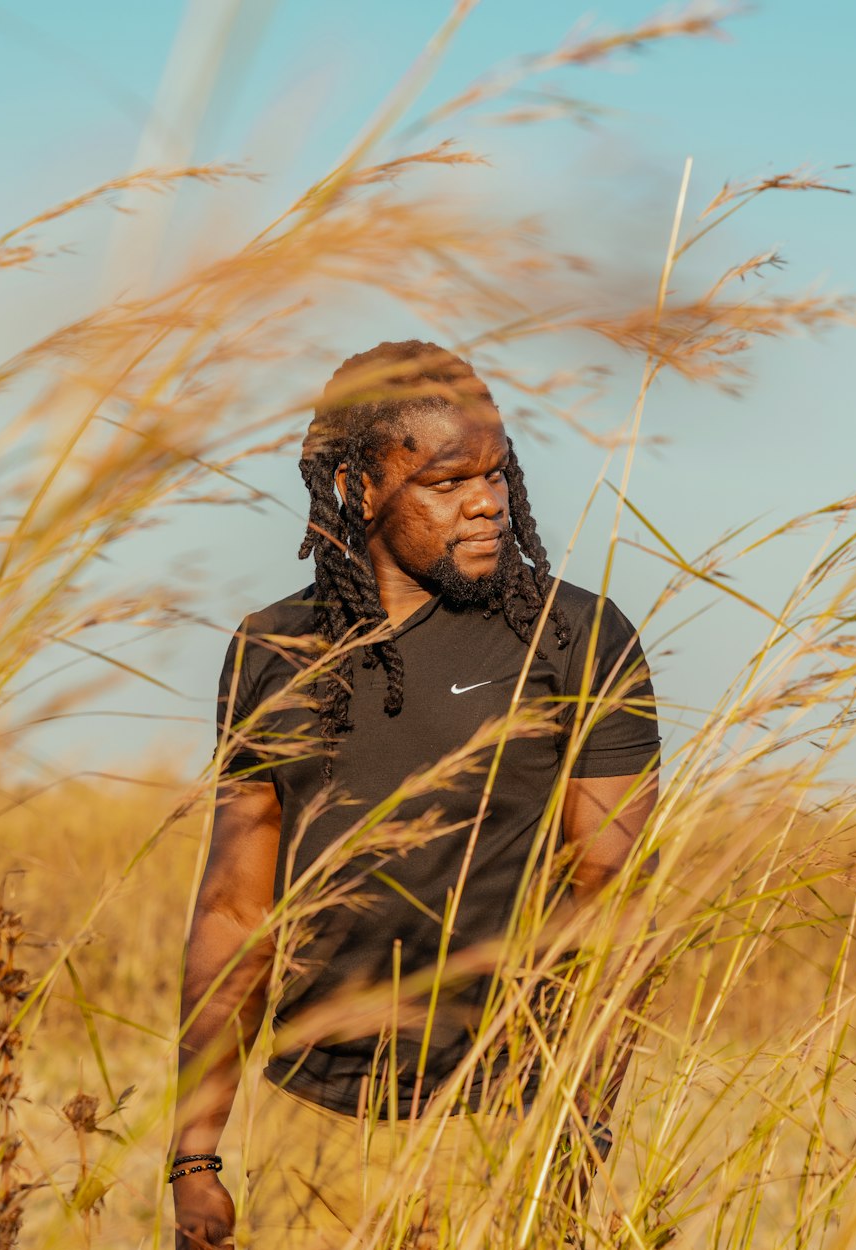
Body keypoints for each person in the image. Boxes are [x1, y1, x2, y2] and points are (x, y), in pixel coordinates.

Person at [170, 341, 660, 1248]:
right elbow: (236, 911)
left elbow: (613, 909)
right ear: (358, 489)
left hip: (505, 1121)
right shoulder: (273, 649)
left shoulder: (576, 637)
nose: (487, 502)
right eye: (446, 481)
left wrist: (575, 1140)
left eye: (497, 472)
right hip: (306, 1121)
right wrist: (195, 1158)